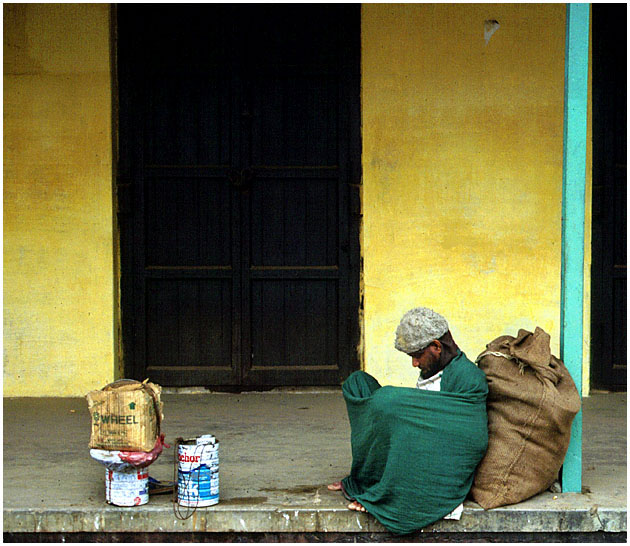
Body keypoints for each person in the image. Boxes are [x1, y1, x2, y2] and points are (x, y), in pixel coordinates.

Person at [327, 306, 488, 532]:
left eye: (416, 356)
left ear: (436, 347)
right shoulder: (433, 369)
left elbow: (471, 440)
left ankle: (384, 491)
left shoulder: (468, 378)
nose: (414, 364)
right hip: (412, 441)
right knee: (357, 383)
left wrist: (404, 413)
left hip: (430, 459)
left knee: (389, 401)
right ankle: (368, 477)